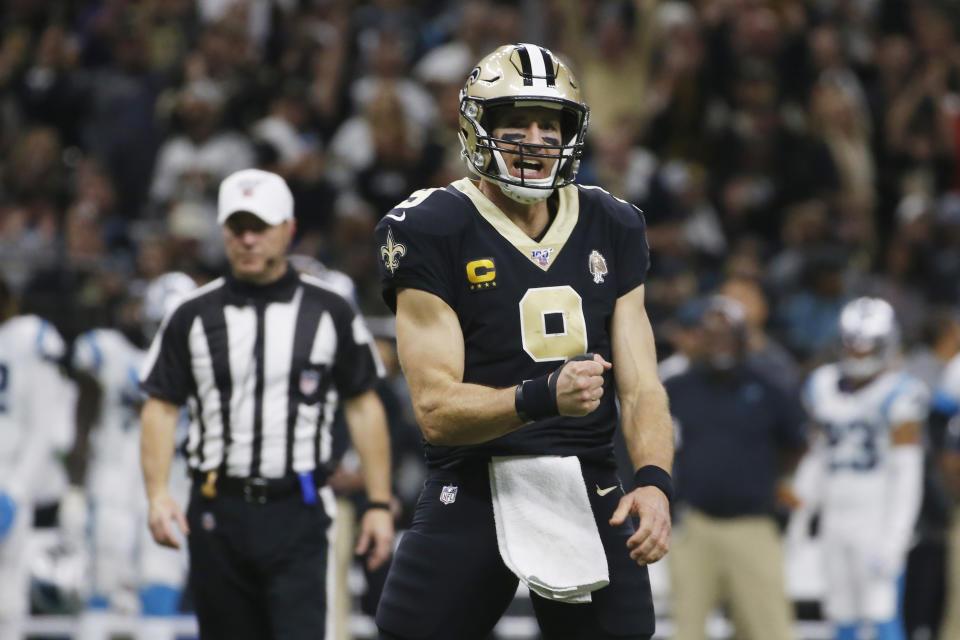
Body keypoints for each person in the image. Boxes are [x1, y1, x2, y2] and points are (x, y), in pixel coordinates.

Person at [373, 43, 673, 640]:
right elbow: (435, 411)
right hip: (476, 472)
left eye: (549, 124)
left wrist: (655, 482)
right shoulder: (430, 227)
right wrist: (542, 397)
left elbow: (642, 388)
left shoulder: (613, 223)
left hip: (587, 477)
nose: (535, 139)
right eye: (515, 124)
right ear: (475, 127)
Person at [139, 168, 394, 640]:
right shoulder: (192, 315)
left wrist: (378, 501)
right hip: (217, 509)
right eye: (238, 228)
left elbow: (364, 404)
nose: (249, 240)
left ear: (288, 229)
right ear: (223, 232)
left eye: (260, 227)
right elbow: (160, 405)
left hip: (298, 510)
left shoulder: (329, 311)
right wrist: (157, 493)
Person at [665, 295, 806, 640]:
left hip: (753, 524)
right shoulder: (675, 389)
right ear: (699, 338)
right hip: (693, 526)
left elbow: (797, 444)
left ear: (744, 338)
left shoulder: (770, 388)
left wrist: (777, 486)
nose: (719, 344)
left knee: (769, 630)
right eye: (711, 335)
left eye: (727, 335)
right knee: (687, 630)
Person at [71, 272, 196, 640]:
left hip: (175, 485)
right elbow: (83, 409)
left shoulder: (206, 370)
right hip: (115, 483)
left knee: (161, 583)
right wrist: (74, 488)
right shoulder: (113, 352)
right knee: (104, 580)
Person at [799, 297, 928, 640]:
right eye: (852, 344)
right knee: (840, 611)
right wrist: (802, 505)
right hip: (835, 515)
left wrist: (896, 537)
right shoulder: (823, 385)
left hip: (876, 515)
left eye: (867, 346)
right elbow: (818, 455)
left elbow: (907, 474)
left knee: (879, 610)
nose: (858, 354)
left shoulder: (901, 393)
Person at [0, 278, 77, 639]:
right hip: (19, 480)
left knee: (14, 602)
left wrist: (15, 491)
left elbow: (46, 425)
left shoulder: (27, 338)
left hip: (20, 481)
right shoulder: (29, 338)